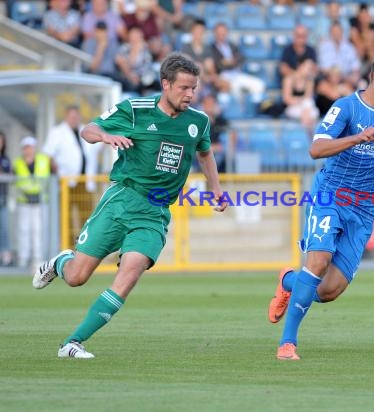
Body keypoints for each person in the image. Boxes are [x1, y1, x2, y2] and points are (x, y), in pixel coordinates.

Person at [32, 53, 228, 359]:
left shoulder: (198, 122)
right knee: (76, 277)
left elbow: (204, 153)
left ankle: (73, 342)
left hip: (155, 211)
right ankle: (60, 263)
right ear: (166, 85)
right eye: (184, 88)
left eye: (194, 88)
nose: (190, 94)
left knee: (131, 270)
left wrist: (217, 189)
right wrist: (107, 136)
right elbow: (89, 129)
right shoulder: (135, 111)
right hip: (121, 201)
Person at [268, 49, 374, 360]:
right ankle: (287, 343)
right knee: (318, 262)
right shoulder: (345, 108)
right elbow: (316, 149)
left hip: (364, 208)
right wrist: (356, 138)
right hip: (330, 196)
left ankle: (289, 280)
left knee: (329, 290)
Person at [43, 105, 102, 248]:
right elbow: (48, 155)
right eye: (72, 116)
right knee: (66, 219)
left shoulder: (85, 130)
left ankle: (85, 248)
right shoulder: (57, 132)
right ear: (66, 116)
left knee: (87, 217)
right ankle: (69, 249)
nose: (74, 119)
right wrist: (57, 172)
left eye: (76, 116)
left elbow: (97, 149)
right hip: (67, 183)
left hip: (85, 182)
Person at [14, 137, 53, 269]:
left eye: (30, 147)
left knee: (38, 230)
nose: (28, 150)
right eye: (26, 147)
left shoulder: (43, 160)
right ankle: (23, 259)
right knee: (24, 230)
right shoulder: (18, 162)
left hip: (40, 201)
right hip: (24, 200)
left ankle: (38, 258)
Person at [0, 131, 12, 266]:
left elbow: (7, 173)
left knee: (3, 228)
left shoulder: (5, 159)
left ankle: (6, 256)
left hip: (2, 197)